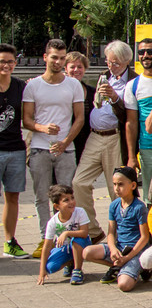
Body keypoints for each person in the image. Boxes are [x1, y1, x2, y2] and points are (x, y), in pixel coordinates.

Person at [23, 38, 85, 256]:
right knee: (41, 195)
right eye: (54, 58)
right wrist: (42, 128)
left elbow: (79, 118)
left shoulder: (73, 85)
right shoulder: (33, 86)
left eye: (61, 58)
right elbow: (26, 119)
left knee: (66, 197)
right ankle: (45, 238)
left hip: (66, 150)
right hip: (40, 148)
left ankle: (67, 239)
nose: (58, 62)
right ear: (45, 57)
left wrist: (65, 141)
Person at [70, 41, 135, 245]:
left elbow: (129, 116)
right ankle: (92, 230)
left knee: (116, 188)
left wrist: (115, 98)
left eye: (115, 63)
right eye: (108, 61)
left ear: (126, 61)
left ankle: (122, 234)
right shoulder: (104, 76)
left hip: (115, 137)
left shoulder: (133, 81)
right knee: (79, 182)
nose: (111, 66)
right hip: (94, 135)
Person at [82, 166, 150, 291]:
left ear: (133, 185)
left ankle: (137, 268)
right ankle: (119, 266)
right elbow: (111, 233)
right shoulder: (114, 205)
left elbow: (145, 237)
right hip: (119, 248)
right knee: (87, 252)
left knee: (124, 285)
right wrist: (113, 249)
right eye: (114, 184)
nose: (117, 188)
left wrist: (127, 257)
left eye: (121, 184)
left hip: (135, 251)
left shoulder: (139, 207)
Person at [124, 38, 152, 201]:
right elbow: (131, 123)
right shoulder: (133, 85)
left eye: (150, 52)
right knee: (150, 196)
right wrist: (131, 156)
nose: (145, 55)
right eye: (141, 52)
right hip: (148, 148)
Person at [0, 43, 29, 258]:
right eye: (2, 61)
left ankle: (10, 241)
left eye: (10, 62)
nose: (6, 65)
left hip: (15, 149)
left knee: (12, 197)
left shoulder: (20, 87)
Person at [36, 184, 90, 285]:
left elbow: (84, 233)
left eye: (72, 198)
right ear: (57, 206)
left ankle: (77, 270)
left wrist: (67, 233)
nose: (71, 202)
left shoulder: (80, 212)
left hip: (81, 243)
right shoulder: (52, 222)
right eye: (66, 200)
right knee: (51, 267)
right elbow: (47, 246)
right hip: (64, 247)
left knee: (76, 240)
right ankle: (70, 262)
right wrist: (42, 270)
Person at [65, 51, 94, 166]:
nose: (76, 70)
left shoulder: (92, 92)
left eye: (80, 67)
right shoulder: (58, 90)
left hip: (85, 144)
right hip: (64, 141)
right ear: (65, 69)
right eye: (72, 67)